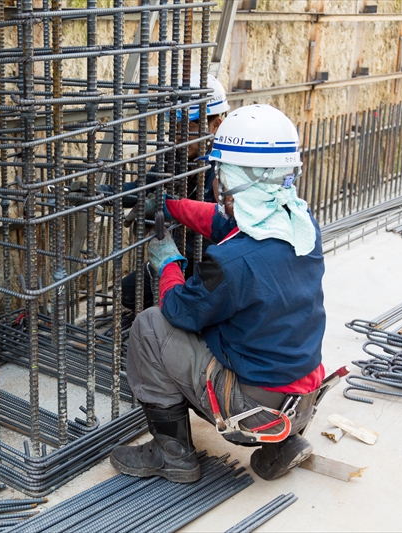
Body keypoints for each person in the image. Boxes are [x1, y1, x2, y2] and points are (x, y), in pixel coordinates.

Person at [110, 104, 325, 483]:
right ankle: (283, 443)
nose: (215, 180)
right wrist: (170, 207)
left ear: (230, 179)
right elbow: (223, 220)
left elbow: (177, 309)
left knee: (149, 327)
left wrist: (168, 262)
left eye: (220, 173)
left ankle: (171, 454)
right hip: (301, 400)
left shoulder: (231, 260)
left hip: (252, 409)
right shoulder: (301, 225)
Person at [120, 72, 230, 313]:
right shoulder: (177, 155)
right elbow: (145, 185)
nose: (180, 135)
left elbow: (221, 230)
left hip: (213, 267)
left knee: (190, 309)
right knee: (128, 293)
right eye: (177, 127)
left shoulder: (225, 169)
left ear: (215, 126)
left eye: (190, 127)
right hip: (178, 257)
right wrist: (105, 193)